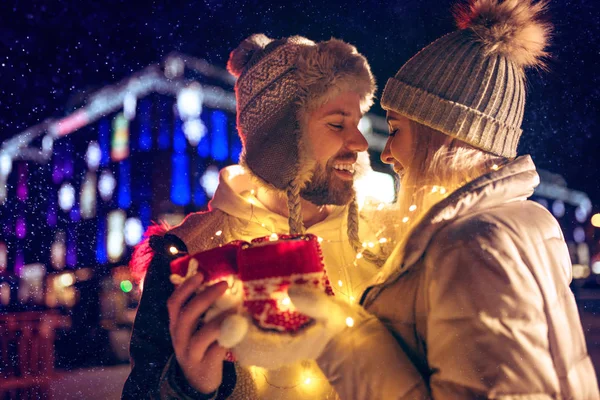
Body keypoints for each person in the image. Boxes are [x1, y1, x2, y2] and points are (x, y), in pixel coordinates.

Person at [243, 1, 599, 399]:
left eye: (395, 129)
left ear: (441, 135)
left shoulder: (473, 245)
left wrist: (343, 343)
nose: (384, 153)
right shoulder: (505, 225)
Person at [121, 33, 387, 399]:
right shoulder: (188, 254)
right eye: (337, 124)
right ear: (281, 138)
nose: (358, 143)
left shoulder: (382, 240)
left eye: (357, 122)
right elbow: (142, 392)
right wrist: (189, 387)